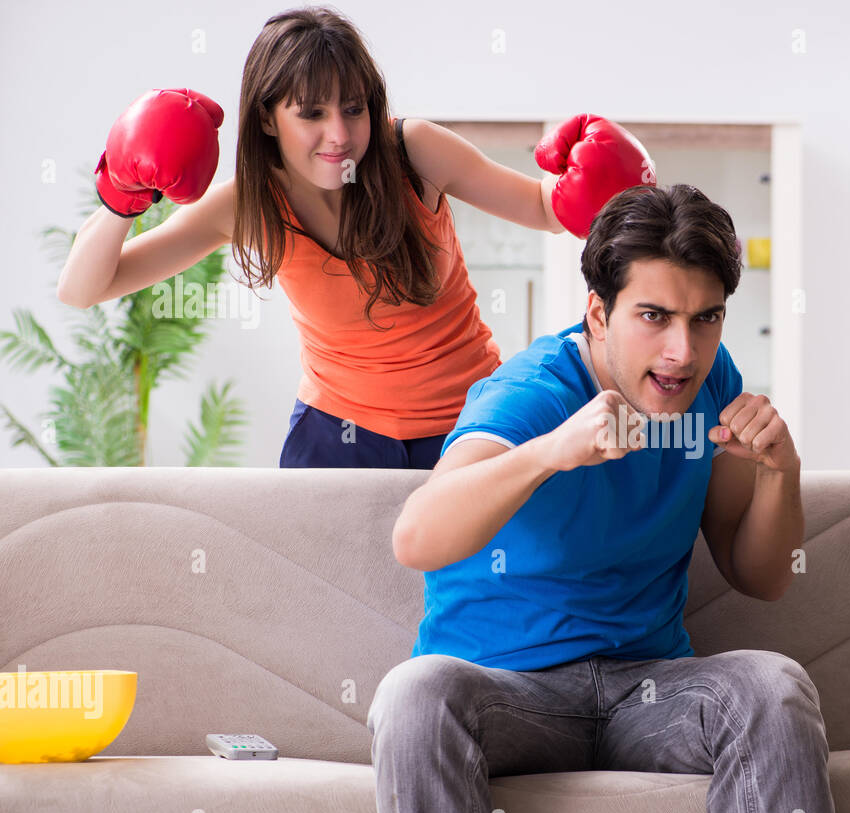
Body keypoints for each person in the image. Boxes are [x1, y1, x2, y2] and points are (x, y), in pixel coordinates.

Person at [368, 183, 838, 813]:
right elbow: (417, 536)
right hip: (507, 692)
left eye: (706, 318)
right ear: (597, 311)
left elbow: (758, 575)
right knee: (413, 697)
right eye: (654, 315)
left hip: (649, 689)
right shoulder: (531, 392)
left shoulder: (709, 383)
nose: (682, 349)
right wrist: (553, 451)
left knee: (772, 686)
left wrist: (780, 468)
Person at [56, 6, 653, 470]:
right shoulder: (248, 204)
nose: (339, 134)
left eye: (353, 108)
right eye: (311, 113)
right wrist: (121, 197)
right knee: (325, 619)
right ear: (268, 118)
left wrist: (603, 180)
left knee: (471, 606)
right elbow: (86, 289)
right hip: (335, 434)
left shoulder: (414, 151)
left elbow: (547, 208)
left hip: (471, 423)